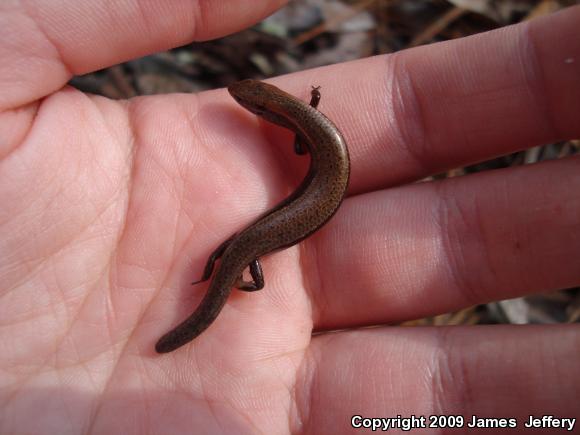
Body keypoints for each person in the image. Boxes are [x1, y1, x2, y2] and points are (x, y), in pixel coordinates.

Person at [1, 2, 578, 433]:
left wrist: (243, 263)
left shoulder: (297, 125)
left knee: (238, 250)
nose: (242, 103)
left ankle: (228, 279)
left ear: (266, 107)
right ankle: (229, 276)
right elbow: (303, 145)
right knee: (237, 251)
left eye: (249, 103)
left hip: (296, 211)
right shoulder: (299, 120)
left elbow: (304, 149)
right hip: (296, 208)